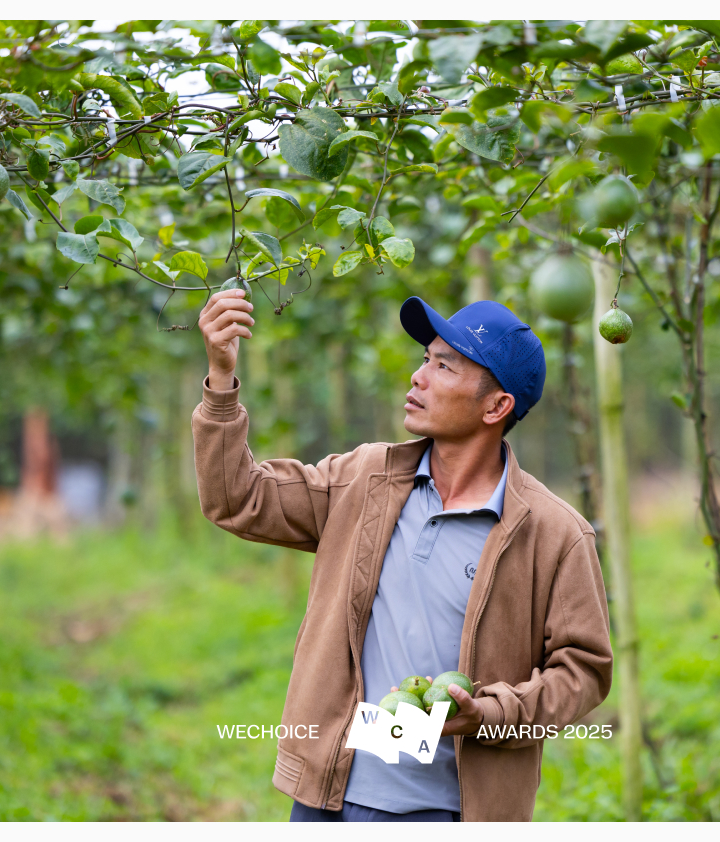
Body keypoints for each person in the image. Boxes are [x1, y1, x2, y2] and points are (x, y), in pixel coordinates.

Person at [192, 288, 613, 822]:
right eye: (425, 359)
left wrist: (488, 714)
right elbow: (238, 498)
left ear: (497, 405)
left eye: (445, 366)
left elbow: (584, 672)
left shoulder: (554, 534)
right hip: (330, 798)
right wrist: (222, 381)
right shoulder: (365, 479)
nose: (419, 377)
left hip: (450, 813)